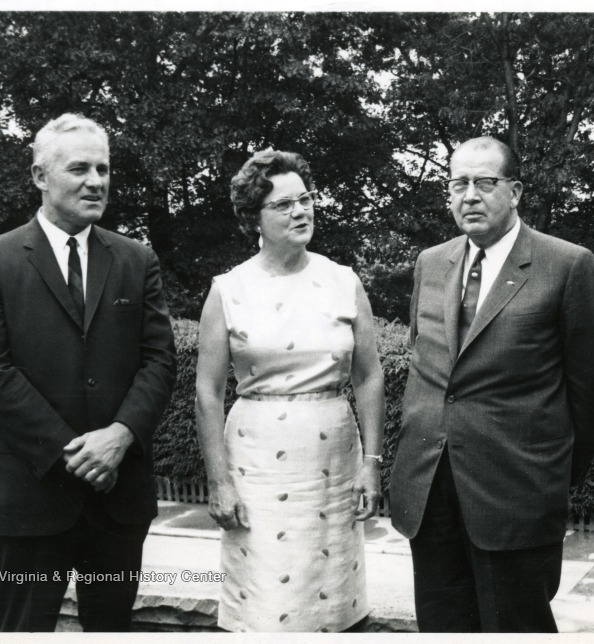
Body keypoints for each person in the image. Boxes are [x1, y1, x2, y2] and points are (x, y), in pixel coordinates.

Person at [0, 113, 178, 631]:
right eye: (79, 168)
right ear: (39, 176)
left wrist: (119, 438)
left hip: (118, 498)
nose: (96, 181)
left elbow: (159, 360)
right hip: (32, 495)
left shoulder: (136, 259)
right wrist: (74, 455)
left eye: (103, 168)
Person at [389, 136, 594, 632]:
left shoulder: (566, 265)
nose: (469, 195)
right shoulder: (432, 262)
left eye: (484, 182)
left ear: (514, 191)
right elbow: (426, 370)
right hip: (429, 492)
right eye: (457, 183)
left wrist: (549, 475)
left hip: (516, 497)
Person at [194, 150, 385, 632]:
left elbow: (369, 376)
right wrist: (218, 480)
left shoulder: (344, 282)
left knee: (332, 597)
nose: (301, 211)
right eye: (284, 205)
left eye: (305, 199)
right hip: (256, 466)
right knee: (264, 601)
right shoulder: (229, 290)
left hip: (333, 464)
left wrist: (371, 465)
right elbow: (208, 391)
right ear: (252, 218)